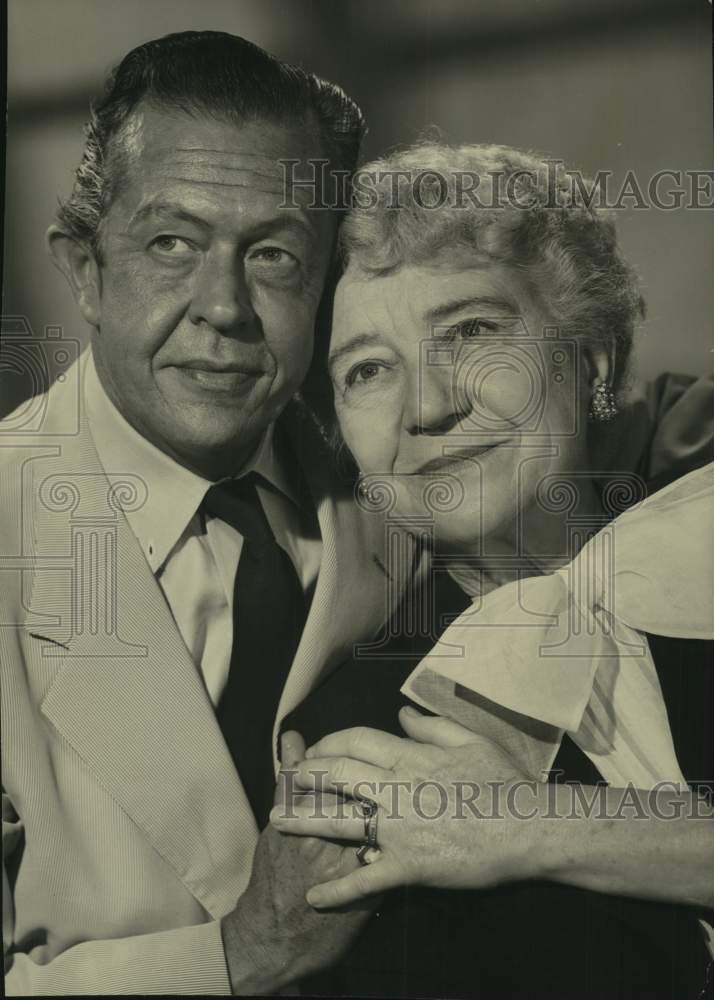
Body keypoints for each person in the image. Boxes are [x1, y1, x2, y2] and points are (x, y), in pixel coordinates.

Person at [0, 31, 414, 995]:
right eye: (171, 244)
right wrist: (236, 956)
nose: (223, 306)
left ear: (325, 284)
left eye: (273, 255)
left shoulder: (402, 489)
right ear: (86, 271)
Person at [273, 143, 714, 998]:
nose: (430, 407)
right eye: (366, 372)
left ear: (589, 358)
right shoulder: (367, 735)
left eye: (472, 332)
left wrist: (541, 826)